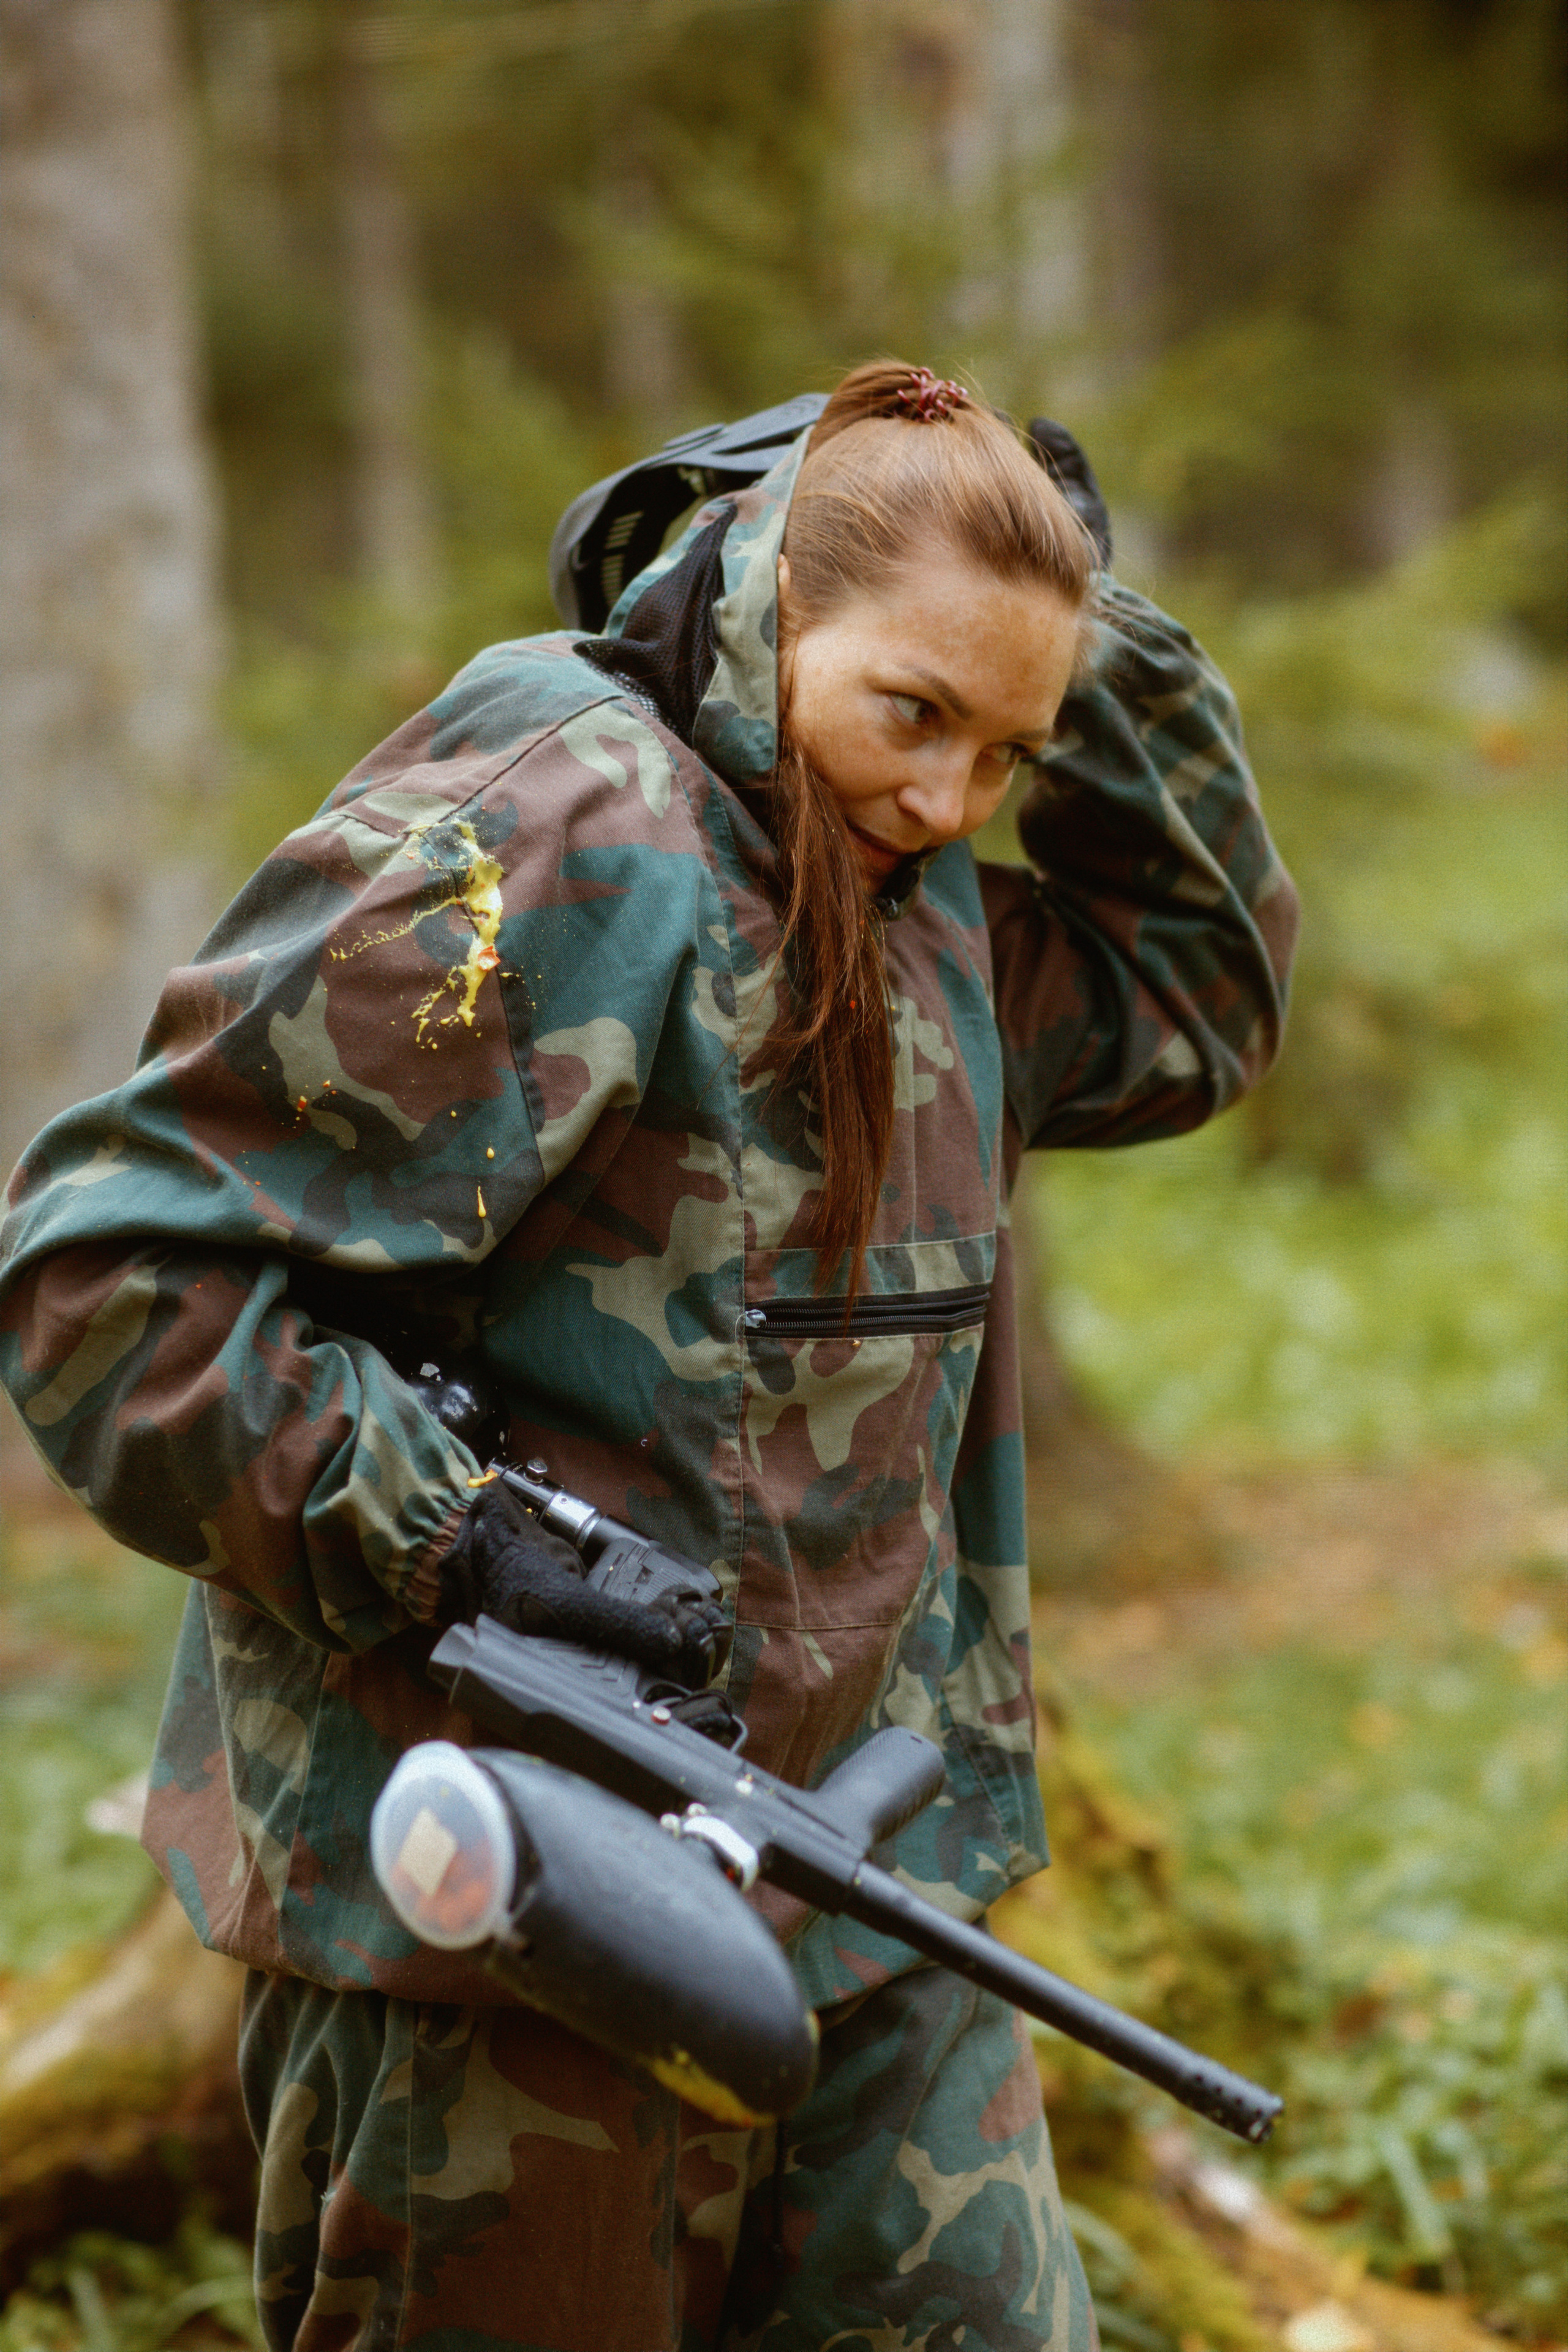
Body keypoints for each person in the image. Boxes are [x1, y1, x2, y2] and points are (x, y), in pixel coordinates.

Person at [0, 361, 1298, 2351]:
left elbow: (1197, 1000)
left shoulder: (928, 905)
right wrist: (452, 1542)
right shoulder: (568, 829)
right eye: (912, 712)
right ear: (777, 598)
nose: (949, 799)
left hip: (873, 1899)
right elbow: (104, 1285)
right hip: (506, 1940)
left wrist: (1052, 609)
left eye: (1008, 755)